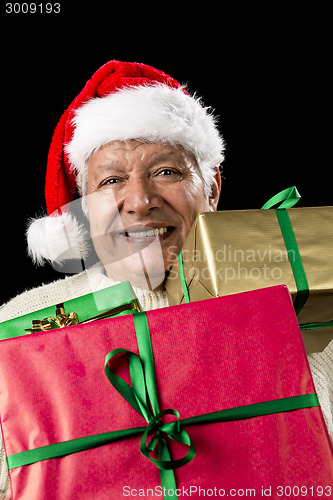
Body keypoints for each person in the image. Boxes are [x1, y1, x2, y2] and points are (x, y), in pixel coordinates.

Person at [0, 60, 331, 498]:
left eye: (166, 172)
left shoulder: (309, 314)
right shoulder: (19, 326)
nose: (139, 201)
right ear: (84, 206)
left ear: (212, 187)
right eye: (112, 180)